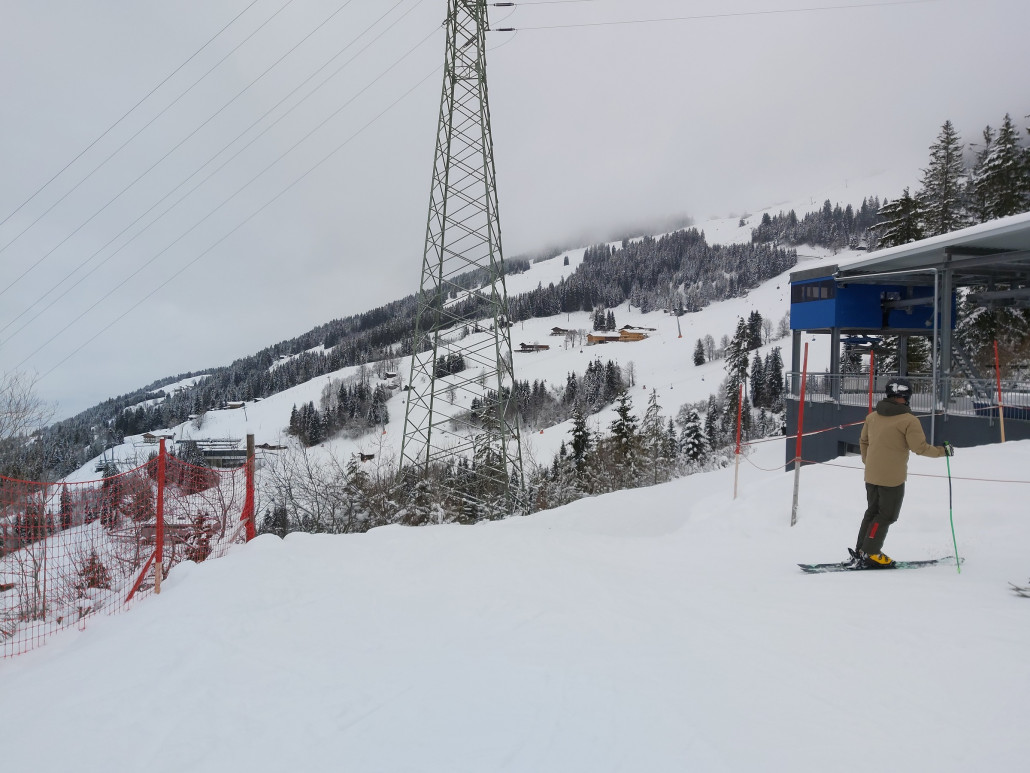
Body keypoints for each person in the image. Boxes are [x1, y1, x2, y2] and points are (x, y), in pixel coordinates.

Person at [849, 377, 954, 568]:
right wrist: (942, 451)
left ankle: (862, 550)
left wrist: (869, 461)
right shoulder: (908, 420)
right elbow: (920, 448)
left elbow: (863, 441)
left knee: (872, 512)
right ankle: (871, 553)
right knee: (886, 515)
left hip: (871, 474)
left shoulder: (872, 417)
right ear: (906, 396)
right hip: (892, 478)